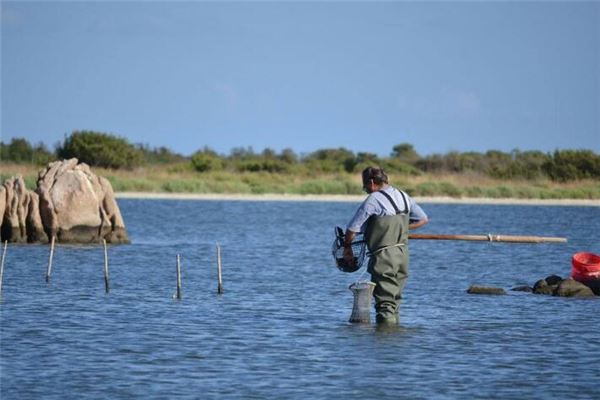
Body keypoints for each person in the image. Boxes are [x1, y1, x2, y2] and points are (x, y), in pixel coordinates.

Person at [343, 166, 428, 325]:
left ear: (373, 182)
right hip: (403, 255)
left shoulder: (373, 200)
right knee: (394, 300)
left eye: (366, 186)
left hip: (384, 257)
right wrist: (400, 228)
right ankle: (396, 339)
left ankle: (384, 341)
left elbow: (352, 229)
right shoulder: (403, 195)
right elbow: (423, 219)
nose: (366, 191)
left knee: (384, 303)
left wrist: (347, 247)